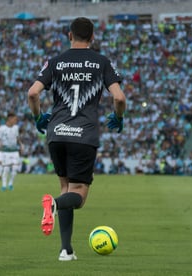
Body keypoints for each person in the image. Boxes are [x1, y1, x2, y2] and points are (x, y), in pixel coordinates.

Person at [27, 17, 126, 261]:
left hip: (57, 133)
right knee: (78, 196)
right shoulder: (101, 62)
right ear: (92, 38)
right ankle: (54, 206)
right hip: (84, 134)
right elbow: (120, 98)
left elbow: (32, 93)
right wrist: (118, 117)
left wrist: (39, 117)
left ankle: (65, 250)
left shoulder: (56, 62)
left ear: (69, 35)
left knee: (65, 189)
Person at [0, 113, 23, 192]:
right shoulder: (2, 128)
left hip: (14, 151)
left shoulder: (16, 128)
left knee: (15, 168)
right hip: (6, 151)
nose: (16, 121)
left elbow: (17, 137)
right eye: (14, 119)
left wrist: (21, 144)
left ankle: (10, 184)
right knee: (6, 168)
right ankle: (4, 186)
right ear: (9, 119)